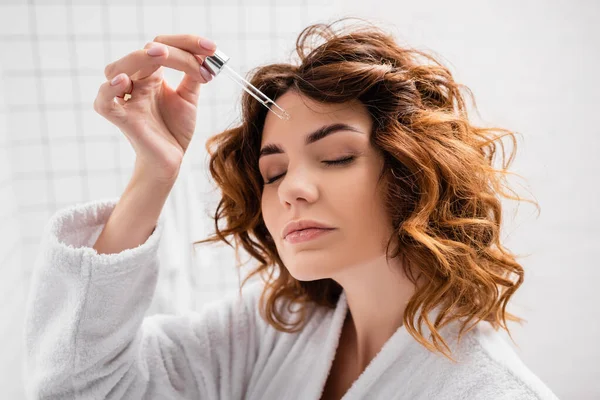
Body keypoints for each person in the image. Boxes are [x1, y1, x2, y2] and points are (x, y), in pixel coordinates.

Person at [23, 18, 559, 400]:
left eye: (336, 157)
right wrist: (153, 170)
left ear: (415, 174)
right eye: (273, 171)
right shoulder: (271, 331)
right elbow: (77, 387)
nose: (290, 189)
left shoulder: (490, 390)